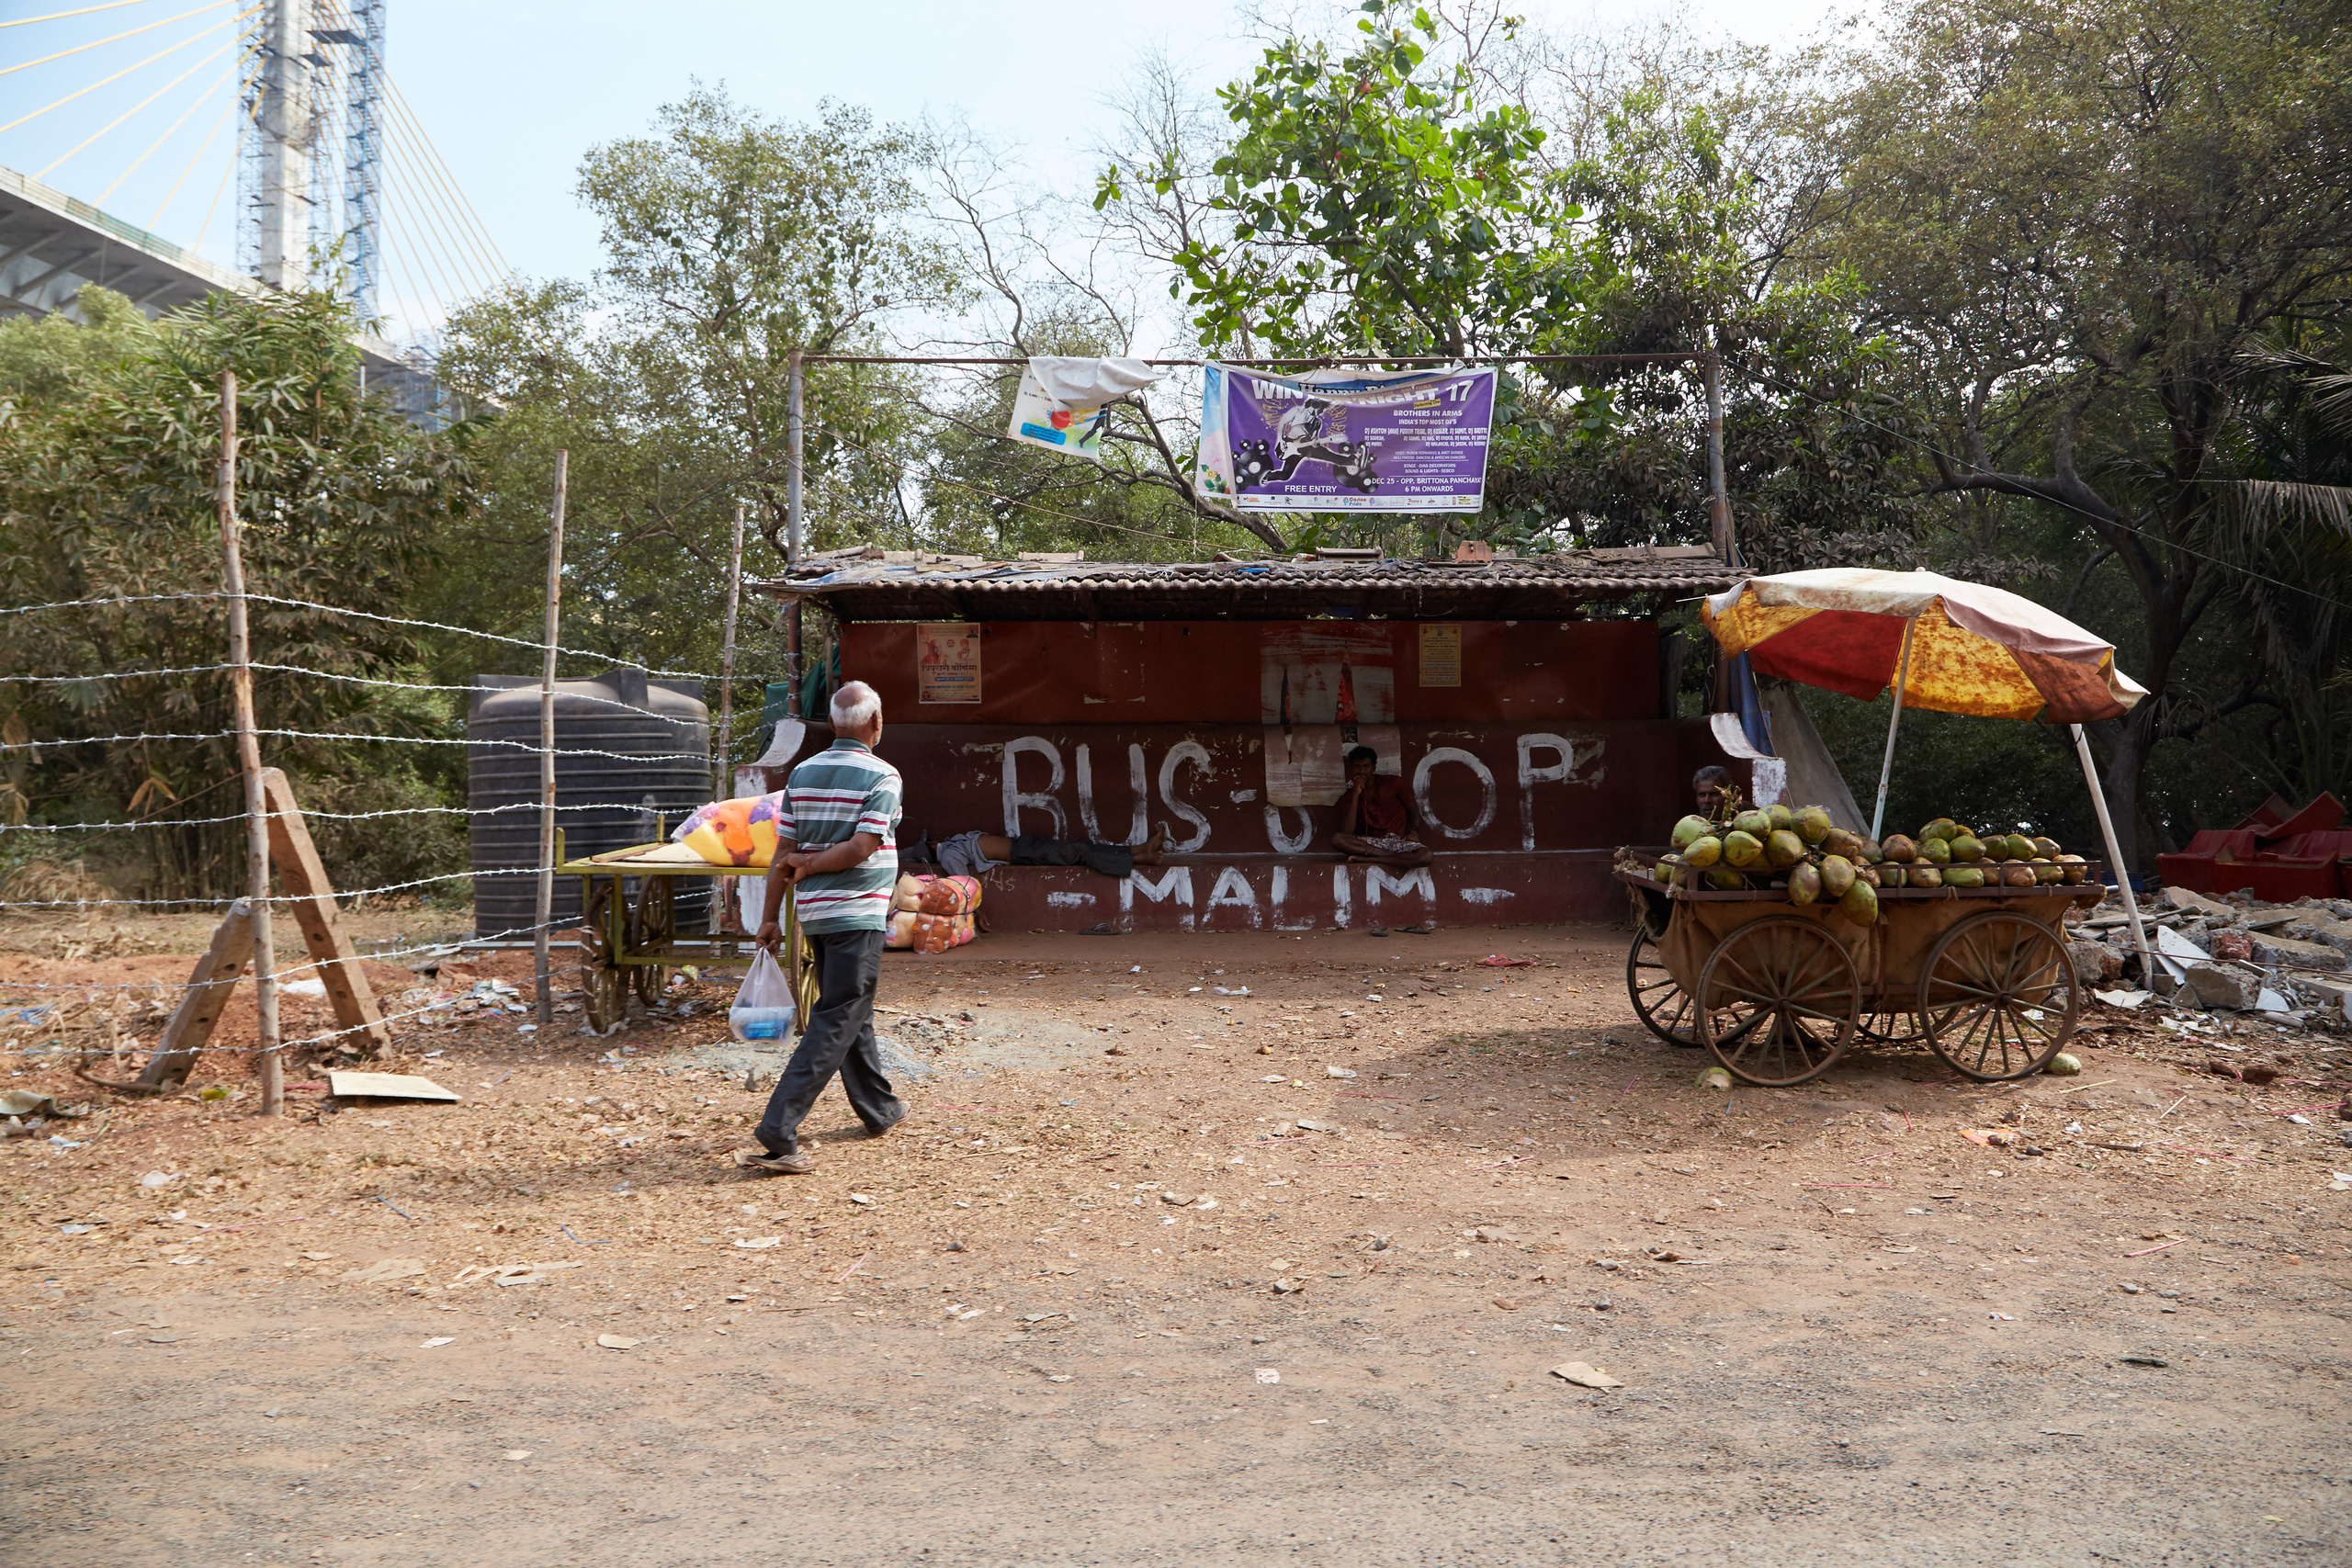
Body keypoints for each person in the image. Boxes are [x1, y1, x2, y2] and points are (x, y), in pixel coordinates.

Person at [737, 681, 905, 1177]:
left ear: (832, 725)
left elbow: (780, 856)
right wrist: (811, 867)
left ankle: (880, 1109)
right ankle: (778, 1127)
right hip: (858, 912)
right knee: (838, 1013)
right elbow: (861, 848)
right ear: (876, 725)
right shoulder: (884, 775)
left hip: (816, 917)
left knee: (852, 1008)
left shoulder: (804, 773)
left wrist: (770, 917)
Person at [906, 824, 1170, 880]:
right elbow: (961, 882)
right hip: (1024, 854)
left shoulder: (954, 841)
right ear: (931, 847)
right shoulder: (949, 853)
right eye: (932, 840)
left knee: (1081, 846)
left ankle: (1139, 850)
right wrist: (976, 913)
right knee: (1079, 851)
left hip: (1024, 845)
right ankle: (1139, 857)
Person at [1331, 745, 1430, 868]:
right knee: (1338, 839)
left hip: (1397, 841)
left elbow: (1413, 809)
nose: (1361, 771)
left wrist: (1414, 830)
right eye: (1357, 766)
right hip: (1371, 844)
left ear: (1373, 767)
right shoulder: (1349, 796)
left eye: (1366, 766)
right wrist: (1355, 795)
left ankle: (1370, 860)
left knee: (1426, 856)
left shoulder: (1393, 783)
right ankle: (1384, 857)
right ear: (1352, 768)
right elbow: (1347, 832)